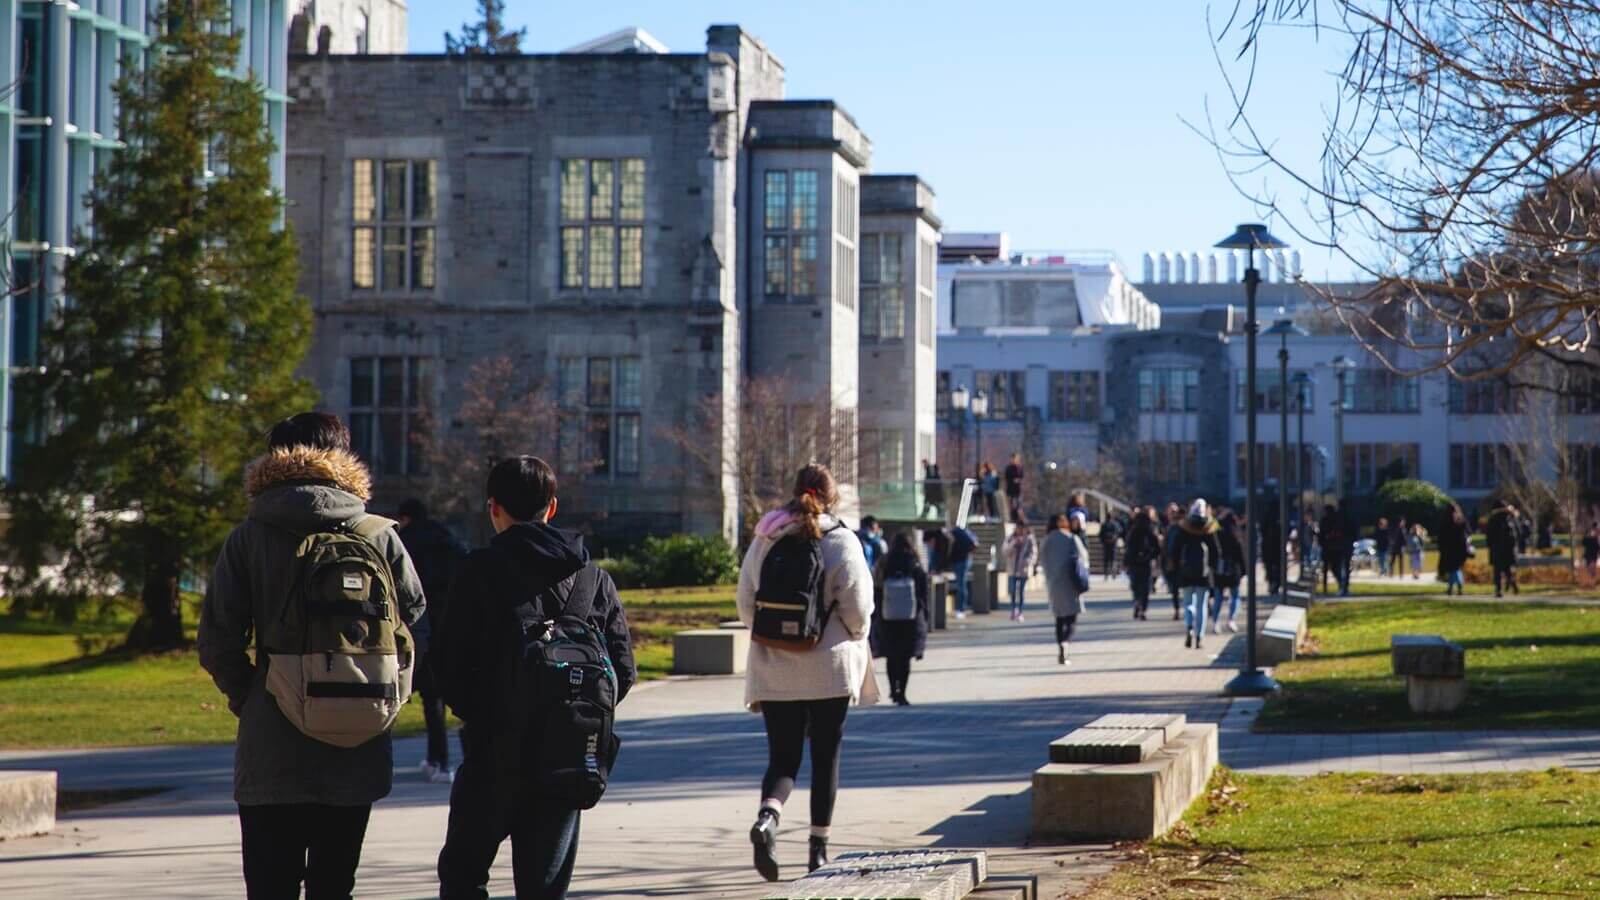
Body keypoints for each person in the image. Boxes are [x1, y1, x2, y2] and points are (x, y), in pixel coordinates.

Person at [197, 412, 427, 900]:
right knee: (334, 885)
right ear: (342, 458)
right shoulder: (379, 534)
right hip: (357, 740)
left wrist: (256, 696)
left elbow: (218, 639)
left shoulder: (249, 536)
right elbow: (415, 623)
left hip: (271, 746)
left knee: (270, 887)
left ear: (274, 459)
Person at [435, 455, 637, 900]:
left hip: (493, 754)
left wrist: (487, 712)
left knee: (463, 876)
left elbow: (448, 666)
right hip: (567, 758)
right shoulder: (593, 579)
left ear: (494, 508)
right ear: (552, 507)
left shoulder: (478, 570)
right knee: (544, 890)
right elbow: (622, 671)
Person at [740, 463, 876, 880]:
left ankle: (768, 818)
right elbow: (858, 608)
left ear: (794, 491)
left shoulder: (767, 536)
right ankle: (818, 849)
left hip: (774, 666)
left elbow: (746, 601)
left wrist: (773, 637)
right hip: (828, 668)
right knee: (825, 757)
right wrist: (852, 634)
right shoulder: (841, 540)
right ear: (831, 497)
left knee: (782, 759)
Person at [396, 497, 467, 785]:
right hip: (450, 624)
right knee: (456, 696)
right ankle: (448, 760)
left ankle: (438, 759)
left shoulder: (405, 542)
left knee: (430, 698)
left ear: (406, 518)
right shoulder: (447, 540)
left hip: (419, 626)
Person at [871, 532, 931, 706]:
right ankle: (902, 693)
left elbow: (876, 588)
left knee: (891, 656)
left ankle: (892, 689)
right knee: (904, 657)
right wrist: (924, 614)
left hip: (887, 615)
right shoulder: (914, 562)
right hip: (910, 617)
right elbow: (923, 591)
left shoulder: (884, 562)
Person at [1039, 512, 1090, 665]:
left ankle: (1060, 643)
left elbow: (1042, 560)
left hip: (1054, 583)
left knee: (1059, 618)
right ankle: (1066, 642)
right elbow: (1083, 557)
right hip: (1070, 582)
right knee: (1072, 617)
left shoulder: (1046, 541)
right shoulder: (1071, 538)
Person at [1170, 500, 1221, 649]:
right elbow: (1216, 551)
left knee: (1188, 603)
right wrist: (1214, 569)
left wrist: (1175, 567)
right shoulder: (1209, 528)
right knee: (1202, 605)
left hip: (1185, 572)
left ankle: (1189, 626)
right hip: (1204, 573)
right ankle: (1199, 636)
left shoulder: (1183, 527)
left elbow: (1174, 550)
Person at [1211, 509, 1245, 634]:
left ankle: (1215, 622)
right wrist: (1243, 570)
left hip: (1220, 568)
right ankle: (1231, 619)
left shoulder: (1217, 535)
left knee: (1218, 597)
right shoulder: (1235, 535)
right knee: (1235, 595)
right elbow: (1240, 554)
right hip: (1233, 568)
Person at [1125, 506, 1161, 620]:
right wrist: (1152, 556)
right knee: (1145, 587)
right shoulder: (1150, 532)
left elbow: (1128, 549)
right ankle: (1143, 608)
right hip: (1146, 562)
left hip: (1134, 563)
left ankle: (1137, 602)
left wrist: (1126, 562)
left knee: (1136, 586)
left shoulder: (1132, 532)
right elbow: (1157, 548)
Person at [1003, 511, 1038, 622]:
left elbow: (1034, 553)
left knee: (1021, 592)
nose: (1020, 530)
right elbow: (1004, 551)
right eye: (1018, 528)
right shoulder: (1011, 538)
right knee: (1013, 591)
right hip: (1012, 569)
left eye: (1022, 528)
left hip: (1023, 569)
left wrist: (1028, 561)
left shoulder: (1029, 539)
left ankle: (1020, 612)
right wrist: (1013, 544)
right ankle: (1014, 610)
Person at [1486, 500, 1520, 597]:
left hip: (1497, 548)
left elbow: (1489, 535)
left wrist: (1490, 546)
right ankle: (1512, 582)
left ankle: (1498, 589)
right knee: (1507, 569)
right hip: (1509, 549)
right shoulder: (1511, 518)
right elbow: (1518, 533)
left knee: (1497, 570)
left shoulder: (1493, 519)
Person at [1437, 503, 1471, 595]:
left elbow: (1441, 537)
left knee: (1453, 569)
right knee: (1455, 569)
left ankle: (1453, 587)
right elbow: (1468, 532)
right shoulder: (1461, 521)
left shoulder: (1445, 521)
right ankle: (1456, 587)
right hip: (1459, 549)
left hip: (1449, 549)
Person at [1320, 503, 1353, 597]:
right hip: (1336, 547)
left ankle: (1341, 585)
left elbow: (1322, 535)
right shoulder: (1337, 519)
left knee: (1335, 567)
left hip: (1332, 547)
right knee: (1339, 567)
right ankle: (1342, 585)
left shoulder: (1333, 520)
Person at [947, 521, 979, 619]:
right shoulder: (965, 532)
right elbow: (975, 544)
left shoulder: (956, 533)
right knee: (961, 584)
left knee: (960, 585)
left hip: (960, 560)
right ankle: (961, 608)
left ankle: (960, 608)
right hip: (963, 560)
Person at [1161, 501, 1184, 619]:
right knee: (1174, 589)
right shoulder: (1166, 526)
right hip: (1171, 562)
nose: (1172, 514)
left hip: (1182, 562)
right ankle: (1177, 609)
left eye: (1174, 512)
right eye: (1171, 511)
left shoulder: (1183, 527)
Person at [1099, 512, 1123, 581]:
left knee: (1108, 560)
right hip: (1112, 544)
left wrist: (1105, 540)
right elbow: (1119, 531)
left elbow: (1101, 534)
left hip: (1108, 544)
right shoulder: (1115, 524)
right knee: (1113, 560)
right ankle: (1112, 574)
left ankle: (1107, 574)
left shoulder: (1106, 524)